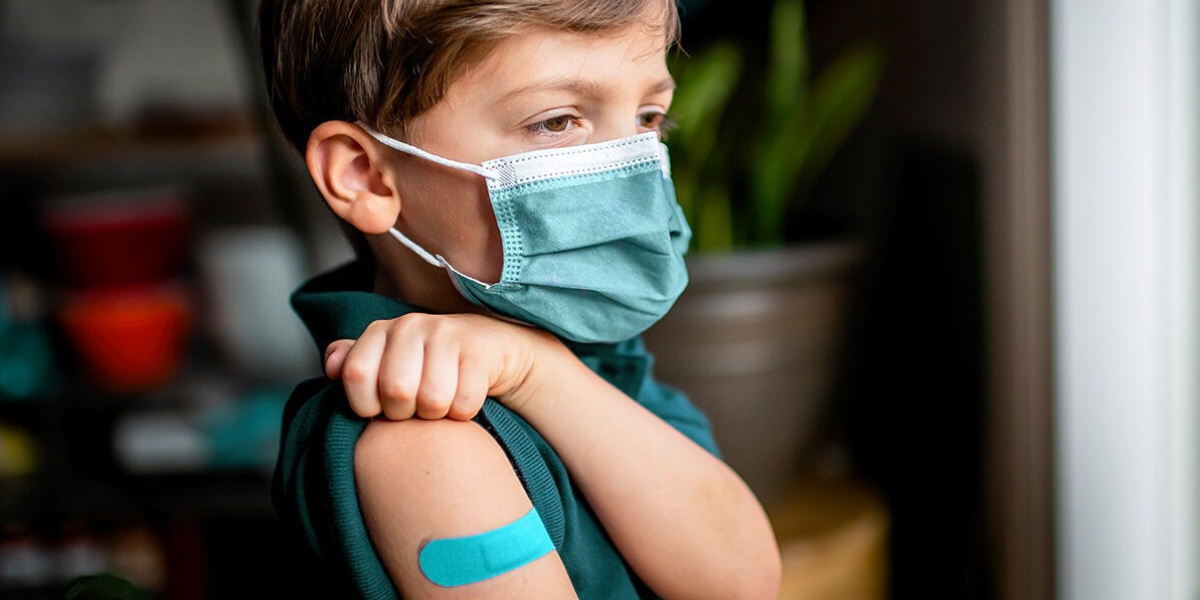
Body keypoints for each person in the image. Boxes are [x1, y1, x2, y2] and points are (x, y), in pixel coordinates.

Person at [258, 0, 782, 598]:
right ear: (366, 176)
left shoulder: (589, 346)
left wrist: (542, 372)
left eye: (647, 117)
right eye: (558, 121)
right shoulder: (422, 441)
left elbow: (743, 580)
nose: (631, 169)